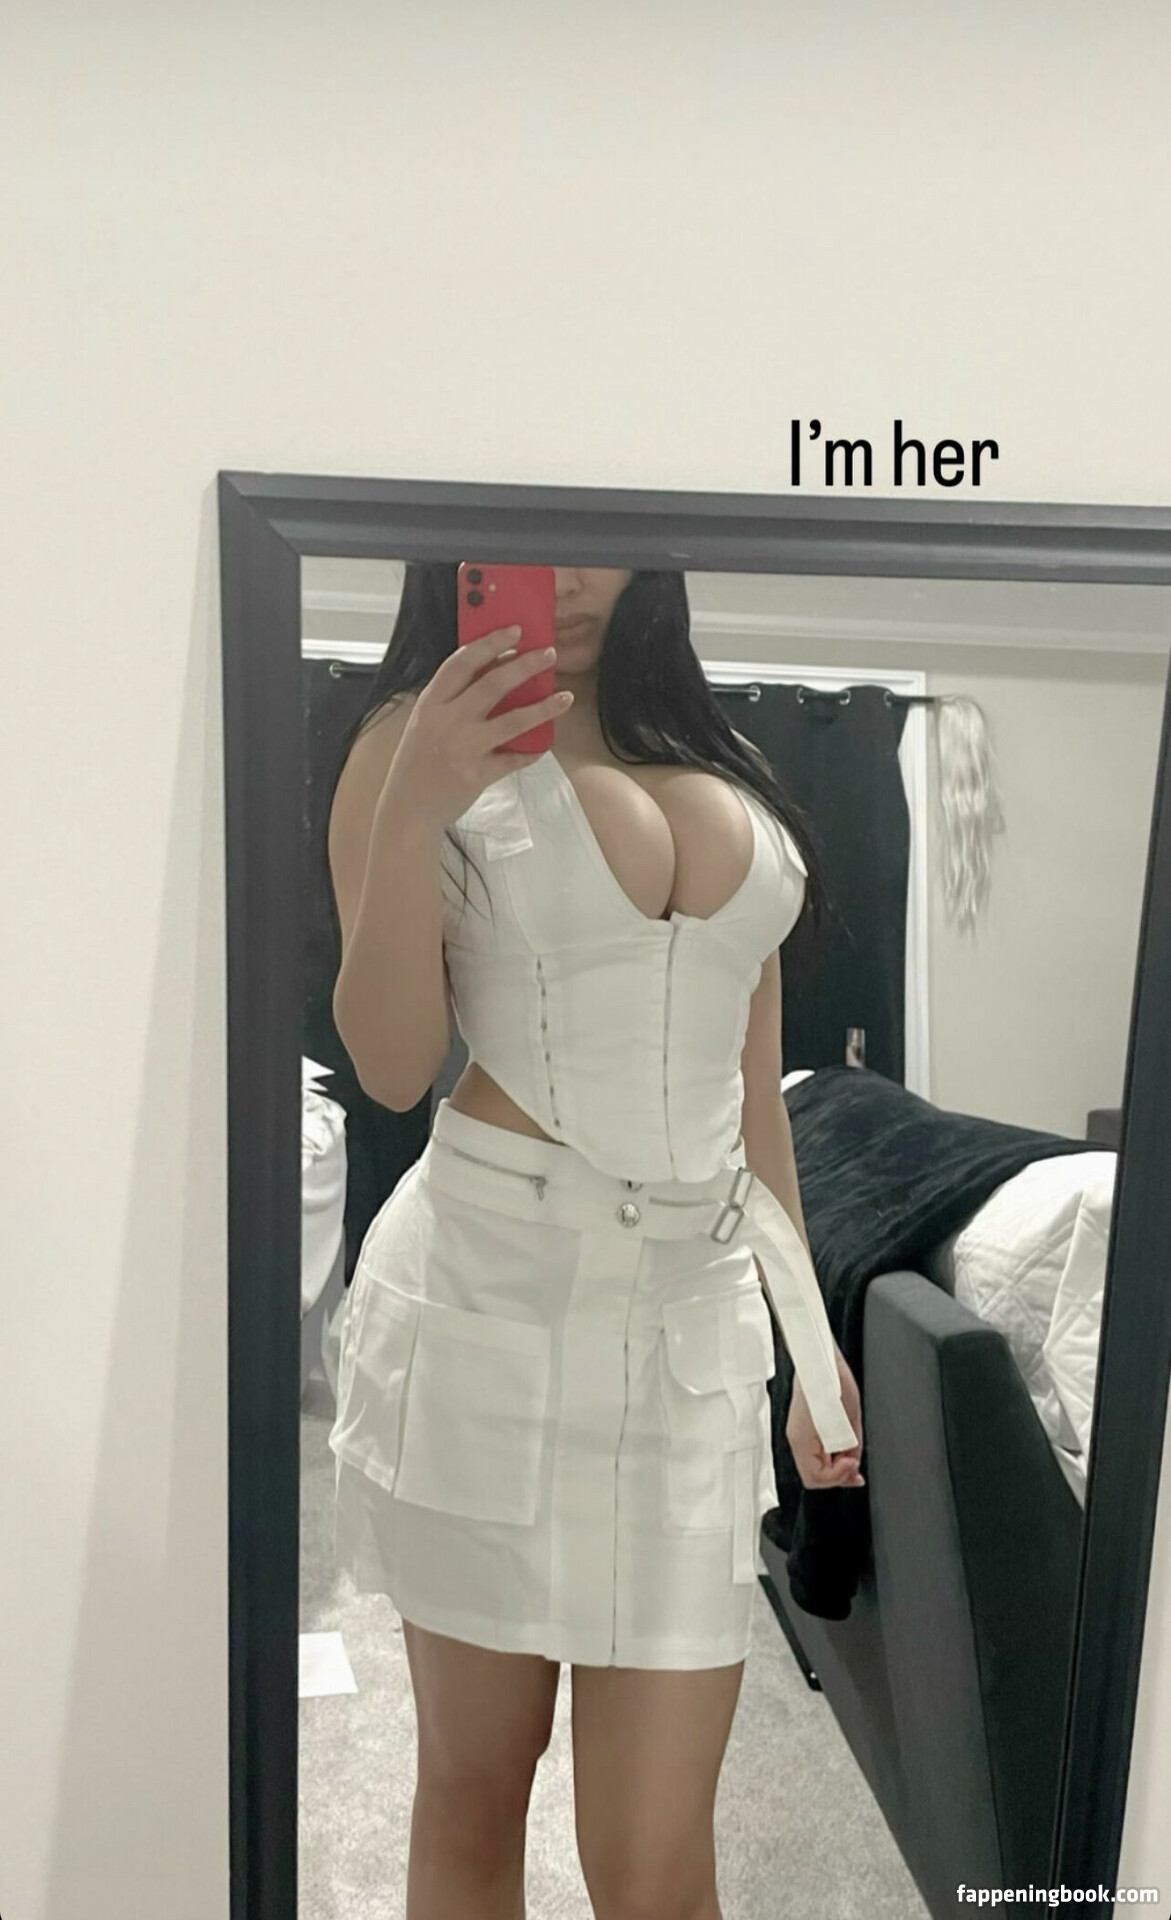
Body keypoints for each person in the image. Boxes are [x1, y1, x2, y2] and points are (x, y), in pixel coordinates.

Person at [325, 563, 864, 1920]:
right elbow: (391, 1064)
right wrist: (417, 804)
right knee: (476, 1790)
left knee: (661, 1860)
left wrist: (810, 1348)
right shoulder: (412, 740)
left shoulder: (712, 751)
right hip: (485, 1298)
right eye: (529, 541)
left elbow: (753, 1096)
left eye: (600, 540)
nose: (568, 576)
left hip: (690, 1334)